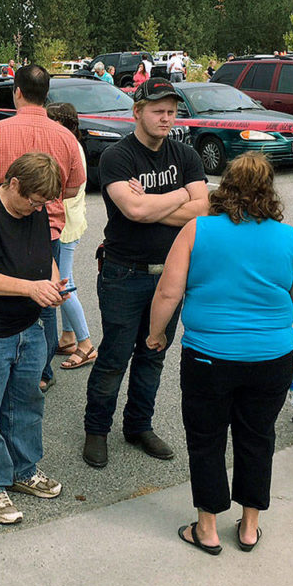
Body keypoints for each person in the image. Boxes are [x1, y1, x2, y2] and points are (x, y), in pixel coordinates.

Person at [146, 153, 293, 555]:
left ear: (224, 187)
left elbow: (168, 292)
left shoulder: (196, 230)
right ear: (269, 191)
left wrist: (156, 335)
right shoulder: (288, 237)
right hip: (270, 357)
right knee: (257, 437)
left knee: (206, 439)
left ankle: (206, 528)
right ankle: (249, 526)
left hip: (209, 356)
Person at [82, 77, 209, 469]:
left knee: (153, 353)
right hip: (124, 273)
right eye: (158, 111)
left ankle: (139, 426)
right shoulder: (117, 157)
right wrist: (181, 196)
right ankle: (96, 430)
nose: (166, 118)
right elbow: (132, 212)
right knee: (115, 357)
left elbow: (203, 208)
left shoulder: (185, 155)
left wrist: (152, 201)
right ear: (137, 111)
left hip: (170, 275)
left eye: (171, 111)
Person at [0, 152, 67, 524]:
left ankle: (23, 470)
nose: (35, 209)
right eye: (32, 201)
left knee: (26, 403)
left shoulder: (33, 210)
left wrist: (52, 281)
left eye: (42, 204)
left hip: (29, 327)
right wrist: (30, 288)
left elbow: (45, 253)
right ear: (13, 183)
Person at [0, 64, 86, 394]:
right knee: (47, 298)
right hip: (50, 230)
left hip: (2, 228)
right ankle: (41, 369)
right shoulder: (65, 136)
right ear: (47, 96)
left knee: (7, 292)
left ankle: (8, 360)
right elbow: (75, 188)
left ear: (16, 92)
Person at [46, 102, 96, 370]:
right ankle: (68, 336)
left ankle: (86, 344)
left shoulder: (67, 145)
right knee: (64, 279)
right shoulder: (71, 142)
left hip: (64, 223)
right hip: (70, 220)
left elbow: (68, 187)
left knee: (63, 285)